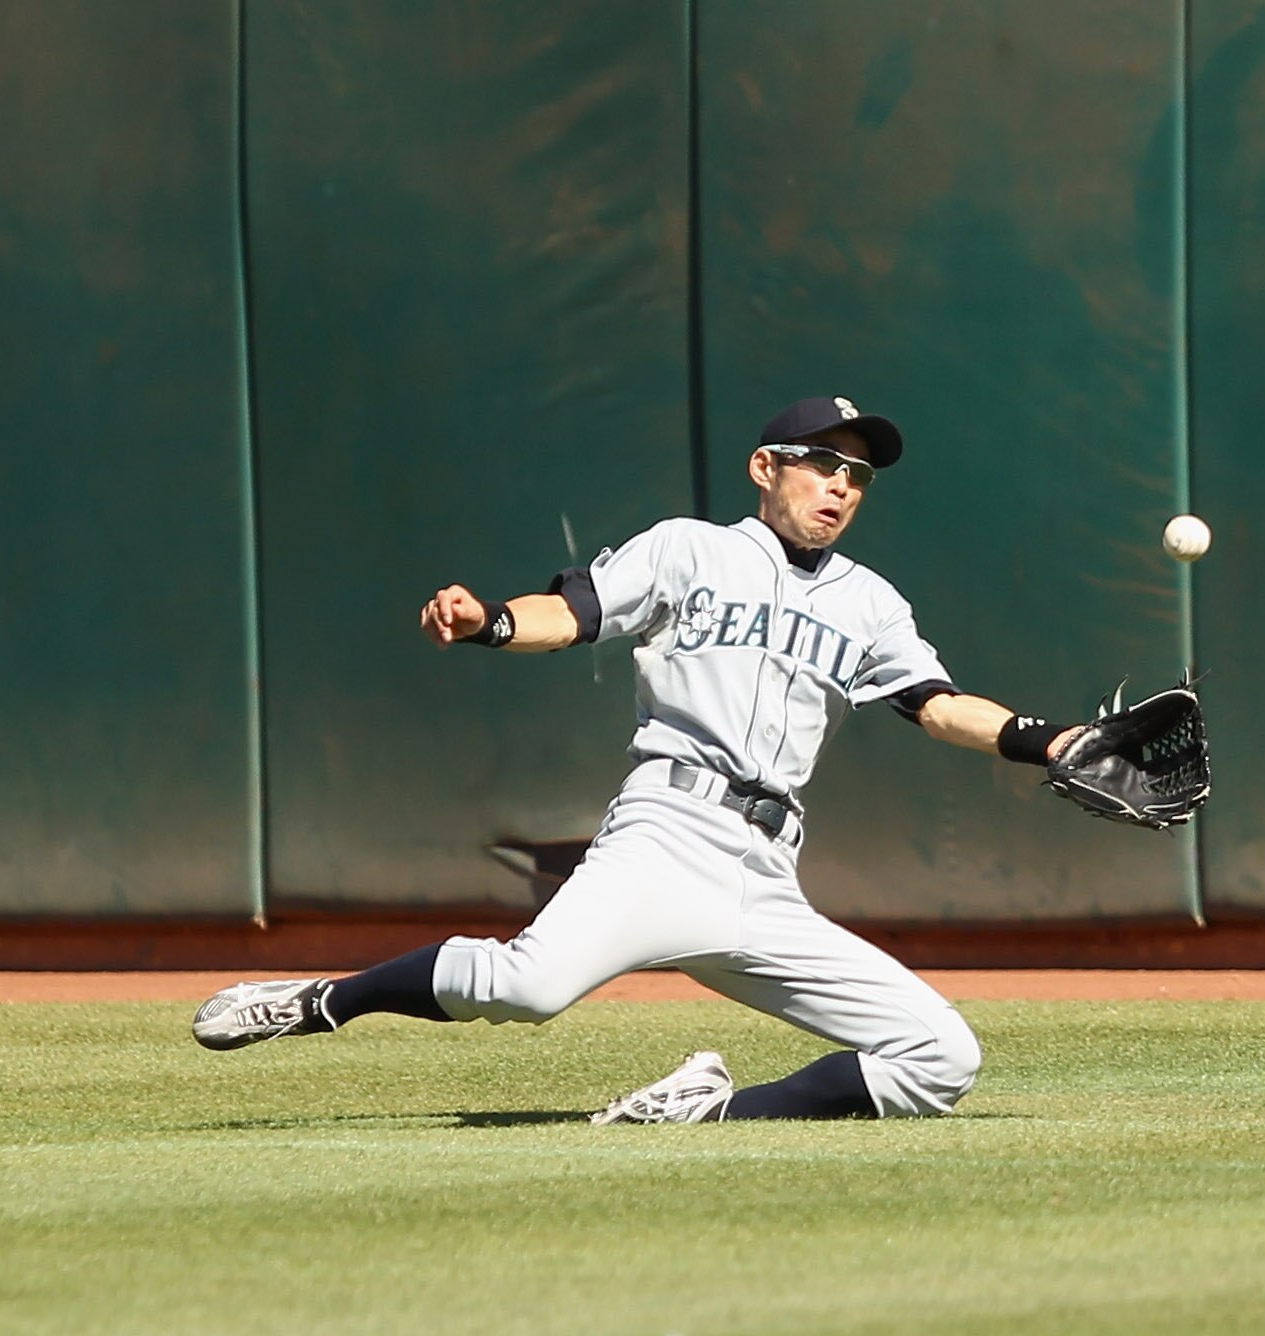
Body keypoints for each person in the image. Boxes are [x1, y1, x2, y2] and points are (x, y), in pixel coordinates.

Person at [193, 396, 1080, 1123]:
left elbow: (937, 705)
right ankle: (319, 1001)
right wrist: (491, 622)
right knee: (527, 986)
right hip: (669, 830)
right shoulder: (691, 548)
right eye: (820, 461)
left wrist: (1054, 740)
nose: (840, 486)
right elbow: (573, 612)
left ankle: (702, 1110)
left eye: (858, 474)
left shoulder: (873, 604)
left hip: (767, 873)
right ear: (765, 467)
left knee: (941, 1058)